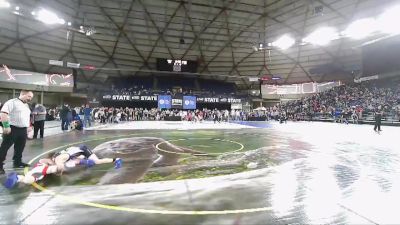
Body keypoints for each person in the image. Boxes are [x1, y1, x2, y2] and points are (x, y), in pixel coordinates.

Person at [4, 144, 122, 189]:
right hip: (73, 155)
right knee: (37, 176)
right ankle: (19, 178)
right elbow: (71, 163)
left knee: (96, 162)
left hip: (82, 150)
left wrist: (59, 172)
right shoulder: (57, 159)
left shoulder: (59, 159)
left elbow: (60, 168)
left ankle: (116, 159)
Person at [0, 90, 34, 174]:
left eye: (31, 97)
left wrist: (29, 126)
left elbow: (26, 117)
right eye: (29, 96)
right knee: (4, 148)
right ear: (22, 94)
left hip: (23, 129)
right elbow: (3, 113)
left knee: (20, 147)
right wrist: (6, 126)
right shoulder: (12, 102)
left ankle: (17, 162)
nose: (30, 99)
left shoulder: (26, 105)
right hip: (12, 128)